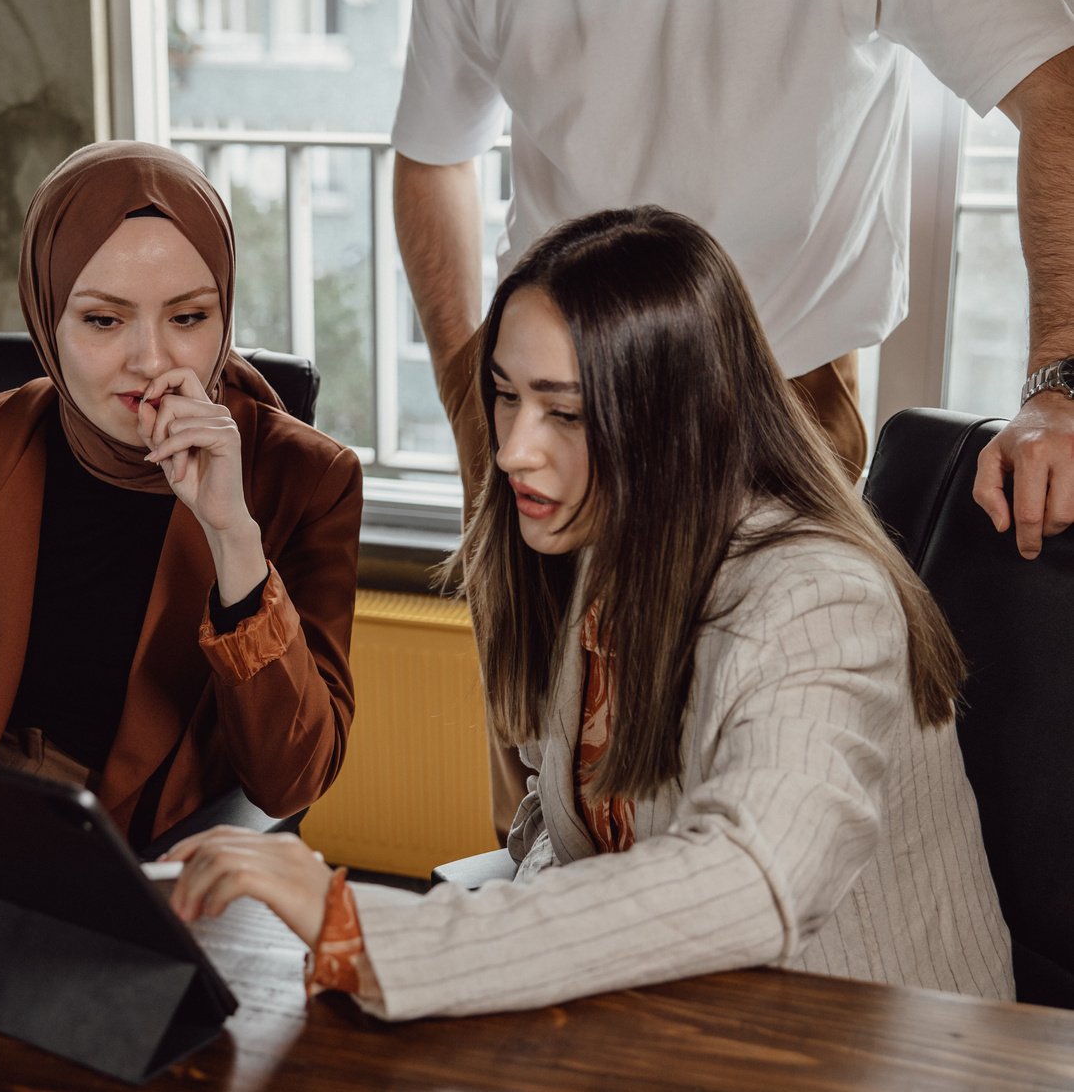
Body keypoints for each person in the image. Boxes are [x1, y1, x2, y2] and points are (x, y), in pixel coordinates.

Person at [163, 207, 1011, 1018]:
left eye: (564, 411)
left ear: (676, 417)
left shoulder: (819, 595)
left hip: (871, 1050)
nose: (511, 449)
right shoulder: (602, 543)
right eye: (505, 395)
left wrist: (372, 927)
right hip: (679, 1021)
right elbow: (566, 825)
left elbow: (754, 877)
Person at [392, 0, 1074, 841]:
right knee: (548, 801)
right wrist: (476, 401)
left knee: (733, 803)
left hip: (775, 394)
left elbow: (1058, 87)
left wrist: (1058, 379)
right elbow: (431, 157)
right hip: (556, 393)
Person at [0, 141, 363, 844]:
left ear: (225, 314)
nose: (150, 361)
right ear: (47, 317)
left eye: (188, 317)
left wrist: (235, 537)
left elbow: (290, 778)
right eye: (104, 320)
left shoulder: (307, 479)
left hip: (147, 866)